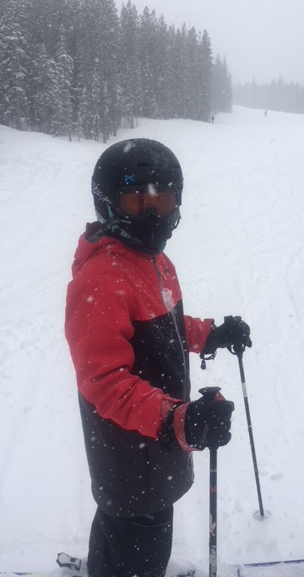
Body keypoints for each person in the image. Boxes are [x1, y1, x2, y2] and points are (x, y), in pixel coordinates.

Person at [65, 138, 251, 577]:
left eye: (162, 201)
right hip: (129, 445)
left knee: (127, 523)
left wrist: (210, 334)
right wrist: (177, 420)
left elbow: (164, 324)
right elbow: (104, 380)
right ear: (108, 203)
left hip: (153, 438)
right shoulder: (101, 278)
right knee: (140, 530)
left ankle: (107, 563)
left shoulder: (152, 260)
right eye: (136, 202)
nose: (153, 216)